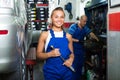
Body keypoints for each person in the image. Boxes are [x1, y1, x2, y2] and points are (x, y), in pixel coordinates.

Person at [37, 7, 74, 80]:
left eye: (62, 17)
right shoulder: (45, 35)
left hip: (67, 72)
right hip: (51, 73)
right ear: (51, 18)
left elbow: (72, 54)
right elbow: (38, 55)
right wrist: (50, 54)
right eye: (56, 17)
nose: (59, 20)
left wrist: (71, 60)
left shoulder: (68, 36)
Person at [68, 15, 99, 80]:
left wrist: (97, 39)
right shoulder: (73, 27)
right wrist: (78, 40)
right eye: (84, 21)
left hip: (81, 50)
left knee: (80, 66)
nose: (85, 23)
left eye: (86, 22)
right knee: (74, 66)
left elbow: (90, 33)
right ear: (80, 20)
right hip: (74, 49)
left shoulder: (85, 27)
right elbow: (68, 38)